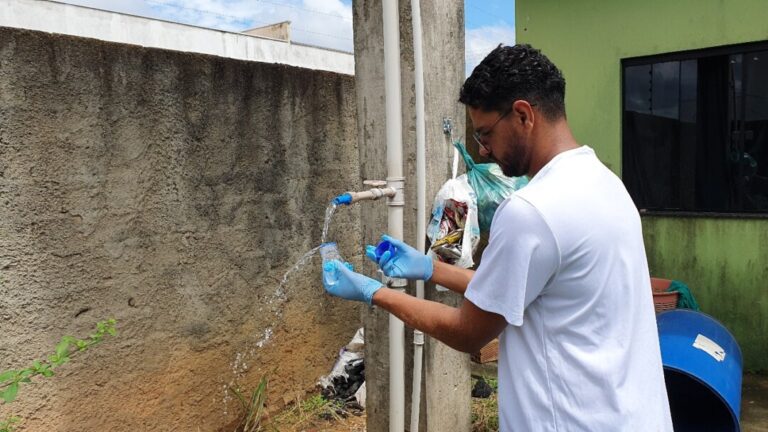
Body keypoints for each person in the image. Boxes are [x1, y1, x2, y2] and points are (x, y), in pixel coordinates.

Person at [322, 44, 673, 431]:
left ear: (523, 115)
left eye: (486, 133)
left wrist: (375, 293)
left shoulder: (530, 211)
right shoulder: (606, 183)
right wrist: (430, 269)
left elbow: (468, 332)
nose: (483, 150)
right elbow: (512, 291)